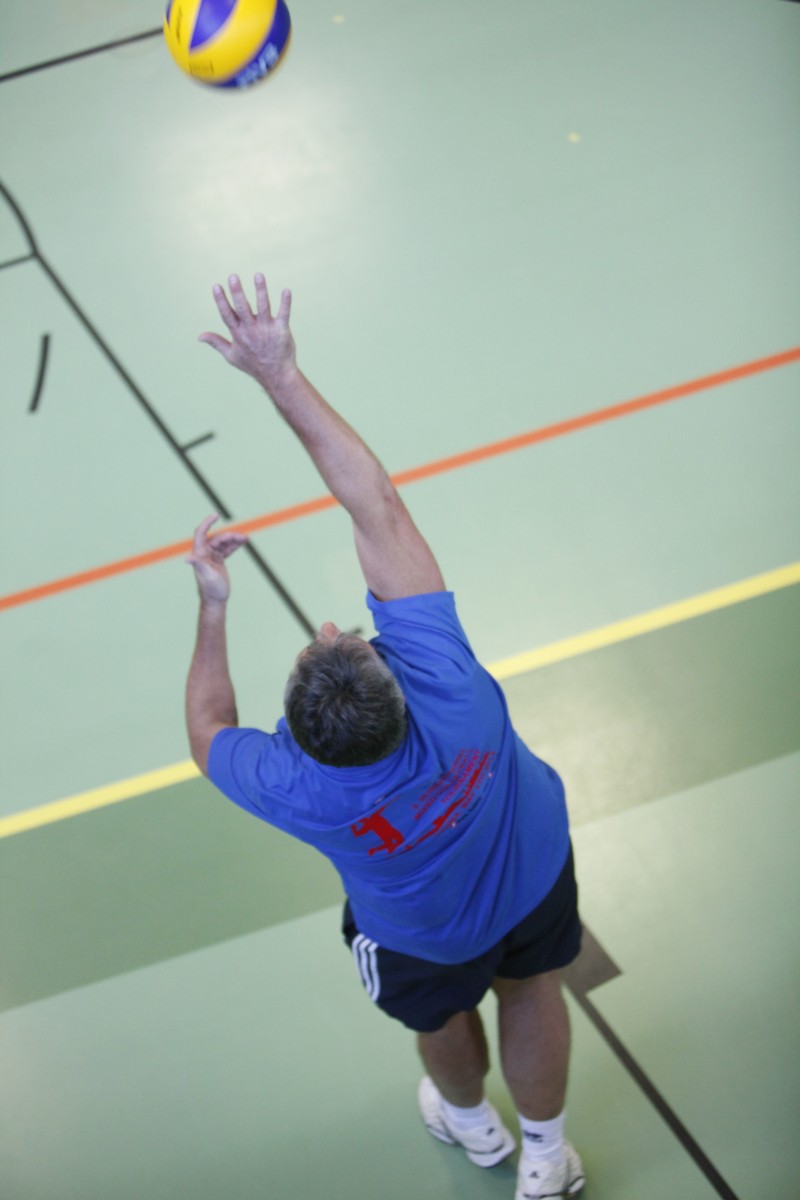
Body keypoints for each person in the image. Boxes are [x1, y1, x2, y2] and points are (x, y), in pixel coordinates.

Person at [185, 273, 585, 1200]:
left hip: (421, 937)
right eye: (341, 638)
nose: (334, 625)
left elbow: (207, 731)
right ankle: (545, 1158)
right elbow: (378, 507)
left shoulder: (291, 785)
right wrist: (281, 374)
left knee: (439, 1018)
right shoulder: (451, 688)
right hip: (531, 867)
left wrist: (212, 607)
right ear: (392, 680)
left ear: (294, 738)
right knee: (533, 990)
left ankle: (472, 1125)